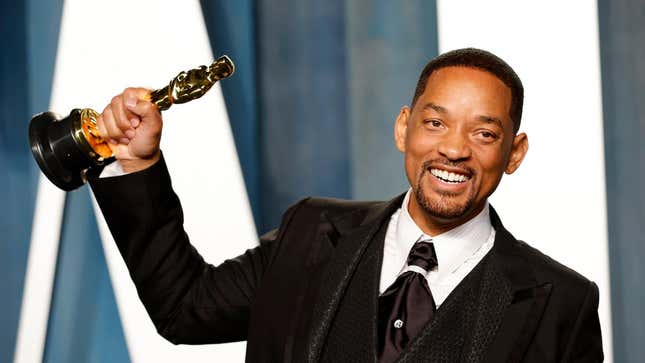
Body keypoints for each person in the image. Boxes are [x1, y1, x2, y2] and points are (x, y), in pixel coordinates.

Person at [91, 48, 603, 362]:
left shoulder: (562, 305)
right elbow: (184, 309)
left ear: (514, 153)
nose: (453, 148)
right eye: (435, 122)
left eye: (484, 132)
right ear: (404, 128)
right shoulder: (311, 233)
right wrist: (138, 165)